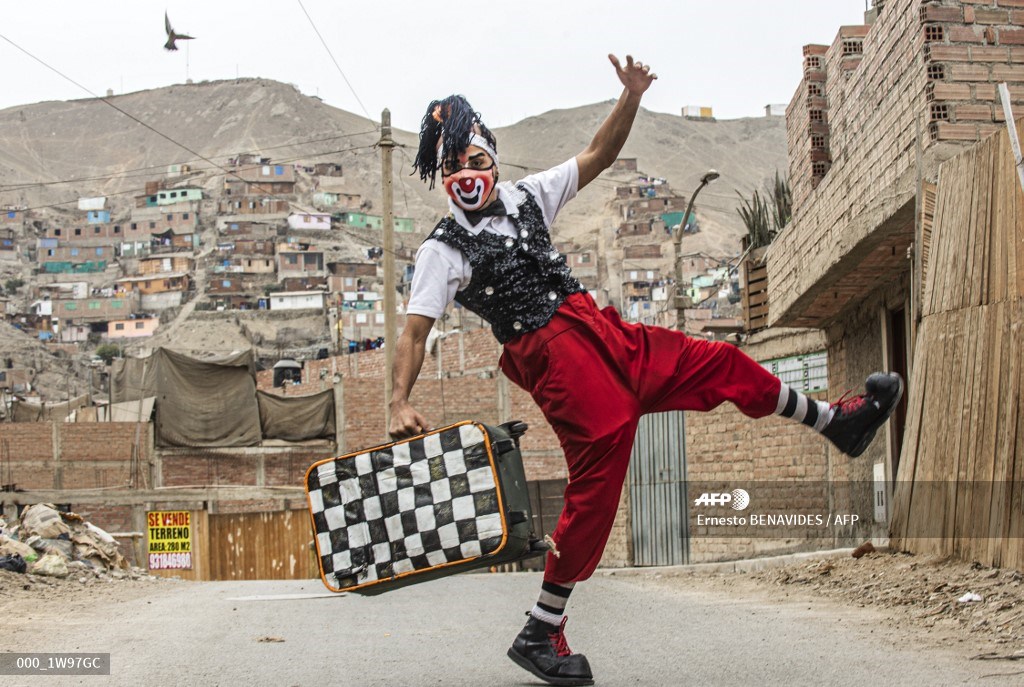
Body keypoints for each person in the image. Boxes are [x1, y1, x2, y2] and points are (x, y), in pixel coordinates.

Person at [389, 54, 903, 687]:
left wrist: (630, 96)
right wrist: (398, 401)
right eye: (452, 168)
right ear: (442, 179)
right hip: (555, 360)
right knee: (597, 484)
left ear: (492, 159)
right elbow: (416, 331)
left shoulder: (529, 195)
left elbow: (599, 154)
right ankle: (541, 629)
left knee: (718, 361)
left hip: (603, 332)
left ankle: (834, 423)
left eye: (474, 160)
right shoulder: (442, 250)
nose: (466, 175)